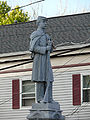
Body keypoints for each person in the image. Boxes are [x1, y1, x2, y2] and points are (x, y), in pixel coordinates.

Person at [29, 16, 54, 103]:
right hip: (39, 60)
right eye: (44, 22)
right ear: (39, 23)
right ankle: (40, 98)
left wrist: (50, 47)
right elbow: (33, 48)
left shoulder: (47, 36)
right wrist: (45, 49)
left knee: (49, 78)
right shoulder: (35, 34)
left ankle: (49, 98)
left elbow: (50, 50)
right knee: (40, 78)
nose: (45, 23)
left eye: (46, 22)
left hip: (46, 60)